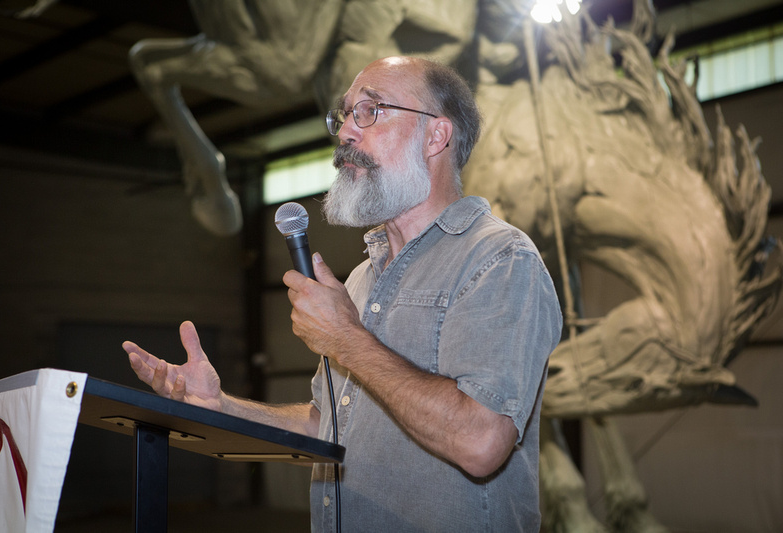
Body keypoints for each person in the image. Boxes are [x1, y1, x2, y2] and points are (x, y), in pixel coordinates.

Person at [124, 56, 562, 532]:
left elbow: (481, 442)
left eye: (370, 112)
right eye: (344, 116)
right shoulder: (359, 279)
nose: (346, 134)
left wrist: (346, 337)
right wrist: (221, 406)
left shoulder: (500, 260)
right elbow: (324, 425)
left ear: (436, 136)